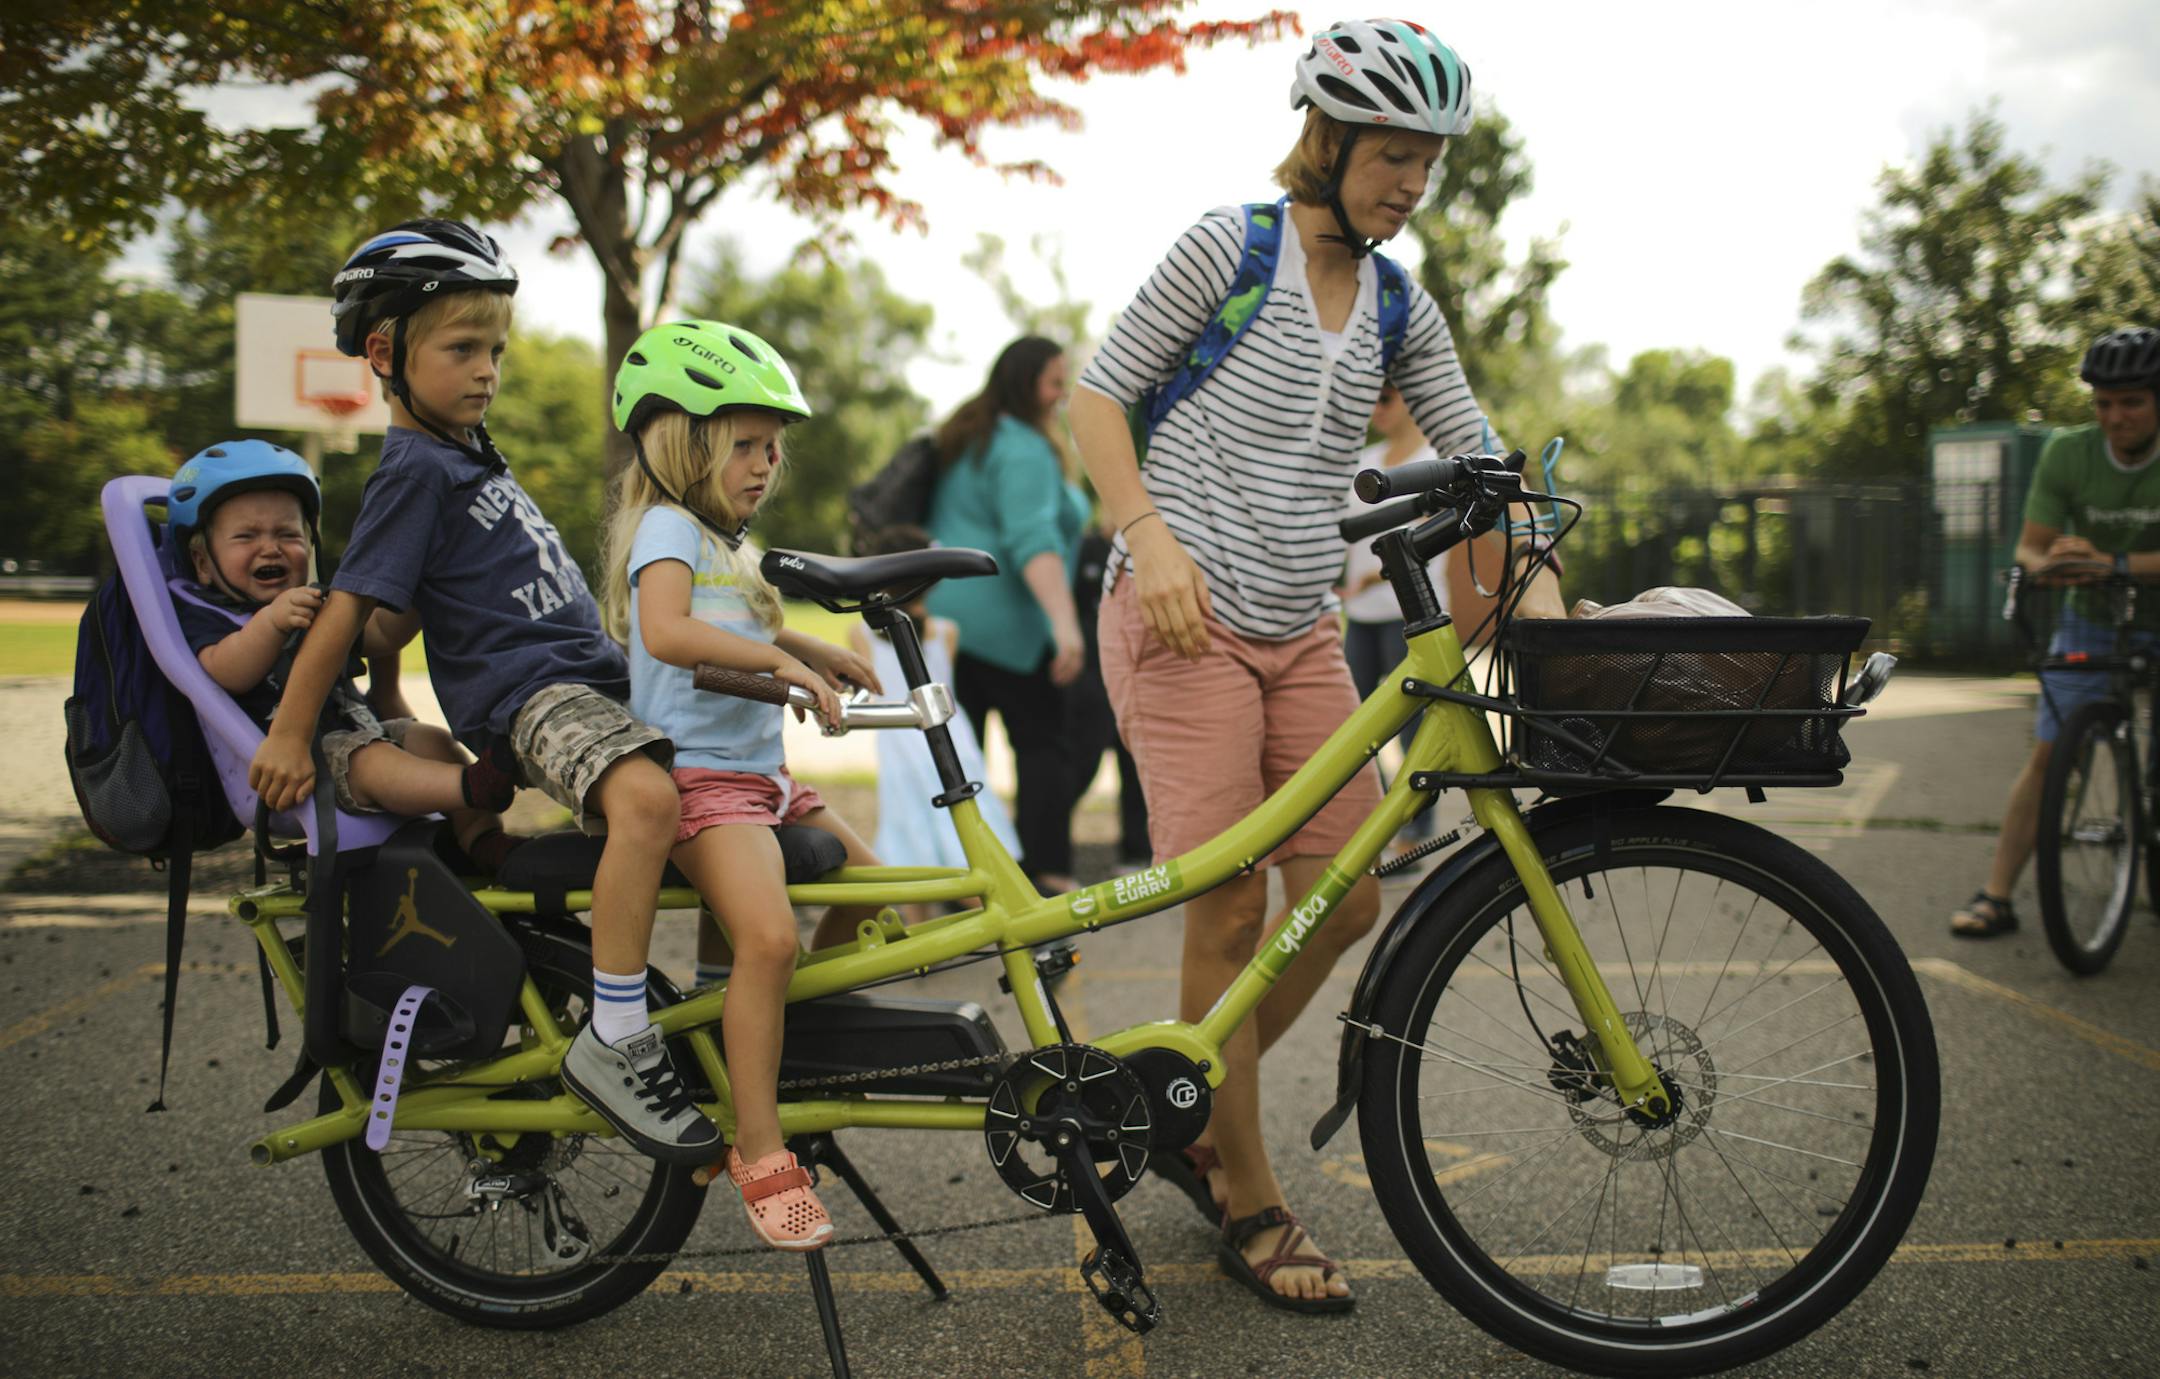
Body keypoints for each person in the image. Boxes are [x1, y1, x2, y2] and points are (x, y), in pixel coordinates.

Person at [1069, 20, 1561, 1313]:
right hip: (1181, 618)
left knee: (1344, 898)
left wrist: (1545, 568)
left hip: (1296, 630)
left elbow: (1483, 454)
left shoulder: (1399, 301)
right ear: (1327, 138)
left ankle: (1177, 1095)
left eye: (1428, 162)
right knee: (1230, 908)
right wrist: (1148, 535)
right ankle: (1247, 1186)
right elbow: (1098, 395)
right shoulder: (1229, 249)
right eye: (1393, 154)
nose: (1410, 182)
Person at [248, 218, 721, 1168]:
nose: (487, 370)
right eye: (461, 348)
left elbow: (395, 617)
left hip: (595, 683)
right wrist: (293, 734)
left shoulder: (468, 456)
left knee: (735, 788)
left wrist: (385, 681)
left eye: (495, 349)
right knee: (648, 798)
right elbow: (351, 607)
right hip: (534, 697)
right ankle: (618, 1039)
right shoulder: (414, 469)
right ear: (385, 352)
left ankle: (722, 1012)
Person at [603, 319, 885, 1250]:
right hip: (701, 784)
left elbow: (754, 633)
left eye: (775, 448)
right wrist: (788, 667)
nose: (768, 463)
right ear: (686, 441)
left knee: (886, 907)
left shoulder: (731, 540)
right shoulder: (667, 527)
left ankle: (771, 1048)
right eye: (748, 445)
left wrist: (817, 655)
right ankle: (758, 1143)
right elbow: (671, 633)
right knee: (768, 940)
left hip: (766, 780)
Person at [168, 439, 518, 869]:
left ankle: (482, 838)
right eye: (246, 536)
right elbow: (226, 672)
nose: (270, 547)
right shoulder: (208, 614)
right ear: (203, 562)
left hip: (355, 737)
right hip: (287, 776)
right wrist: (272, 623)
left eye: (288, 534)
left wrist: (417, 592)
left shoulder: (313, 604)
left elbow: (381, 635)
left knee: (428, 738)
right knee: (372, 762)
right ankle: (473, 786)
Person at [1952, 325, 2160, 938]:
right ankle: (1997, 896)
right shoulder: (2069, 452)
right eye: (2103, 404)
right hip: (2095, 617)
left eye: (2132, 402)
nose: (2115, 417)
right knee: (2051, 753)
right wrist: (2060, 565)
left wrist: (2112, 563)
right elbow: (2030, 548)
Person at [924, 335, 1090, 893]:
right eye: (1053, 380)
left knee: (959, 756)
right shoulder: (1022, 447)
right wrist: (1065, 626)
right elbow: (1032, 540)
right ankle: (1045, 874)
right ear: (1026, 385)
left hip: (948, 623)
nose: (1062, 391)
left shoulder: (971, 436)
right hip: (1009, 627)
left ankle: (963, 874)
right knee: (1046, 751)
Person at [846, 525, 1022, 911]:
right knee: (963, 838)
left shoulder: (860, 634)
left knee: (915, 840)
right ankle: (998, 916)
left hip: (903, 737)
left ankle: (936, 932)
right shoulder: (946, 633)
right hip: (950, 737)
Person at [1066, 524, 1151, 866]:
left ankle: (1138, 850)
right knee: (1081, 762)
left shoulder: (1149, 547)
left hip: (1139, 671)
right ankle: (1049, 846)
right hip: (1092, 673)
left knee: (1137, 763)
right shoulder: (1085, 548)